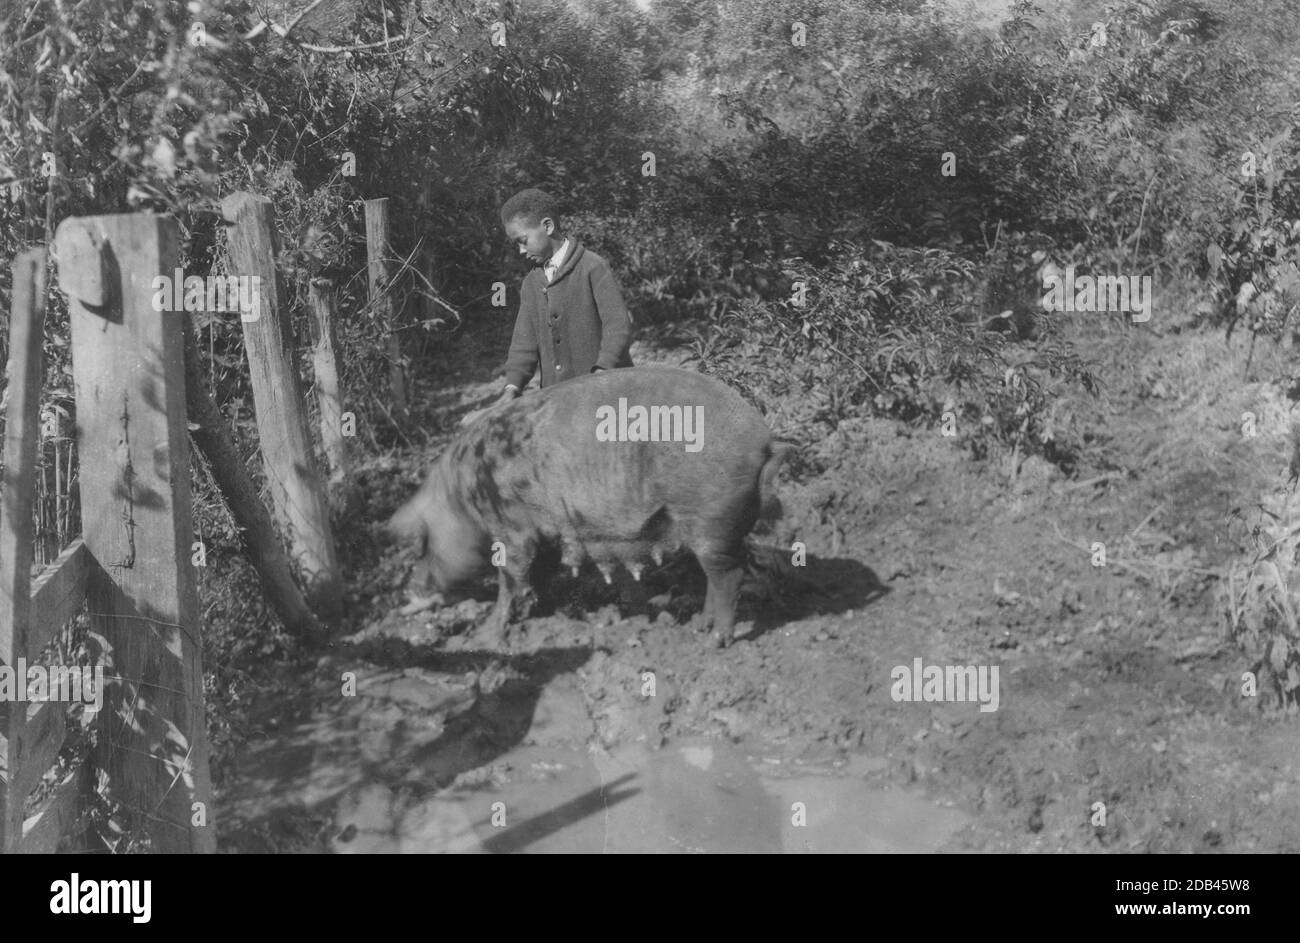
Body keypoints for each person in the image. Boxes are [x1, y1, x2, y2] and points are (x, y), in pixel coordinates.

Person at [463, 188, 633, 424]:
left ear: (548, 226)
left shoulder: (592, 267)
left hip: (609, 401)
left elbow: (618, 327)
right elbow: (524, 344)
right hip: (560, 404)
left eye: (523, 241)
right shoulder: (532, 283)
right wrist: (512, 388)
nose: (521, 251)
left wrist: (601, 374)